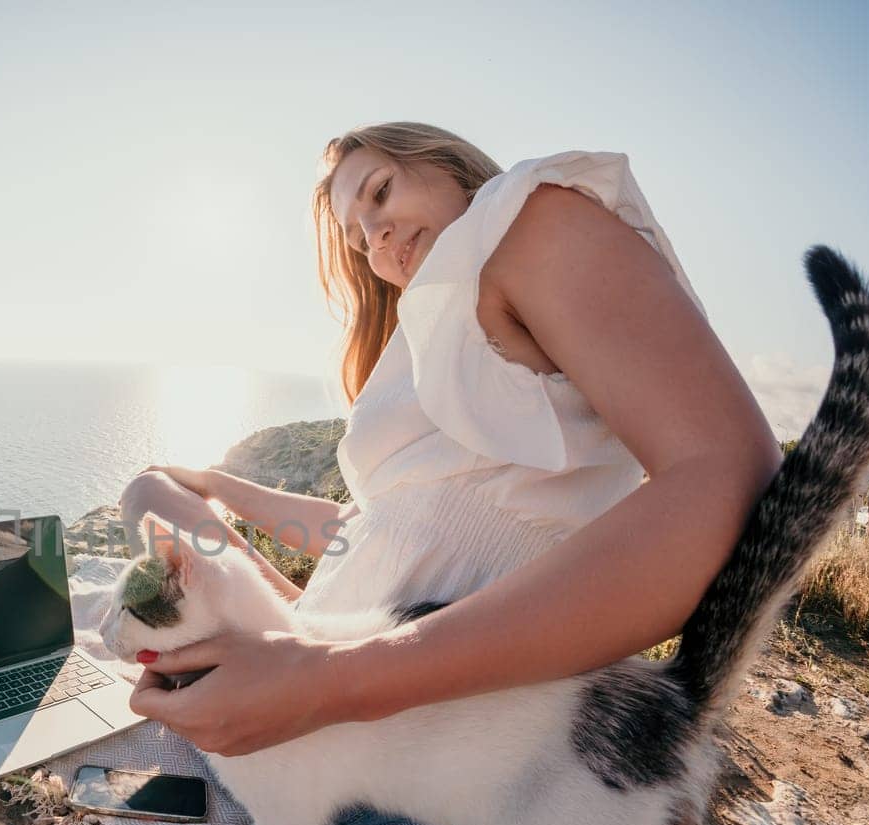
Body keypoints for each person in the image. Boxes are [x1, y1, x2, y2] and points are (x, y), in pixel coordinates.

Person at [118, 122, 781, 769]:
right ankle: (298, 621)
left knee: (149, 523)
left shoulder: (526, 220)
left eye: (379, 192)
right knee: (152, 490)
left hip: (377, 700)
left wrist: (323, 679)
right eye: (358, 238)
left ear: (448, 163)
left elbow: (732, 476)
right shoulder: (442, 331)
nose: (374, 235)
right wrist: (219, 485)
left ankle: (298, 635)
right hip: (337, 650)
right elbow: (370, 531)